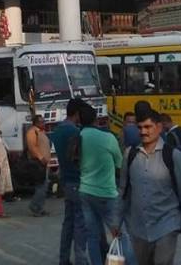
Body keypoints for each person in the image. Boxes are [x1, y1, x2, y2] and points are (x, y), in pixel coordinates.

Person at [113, 110, 181, 265]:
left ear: (159, 127)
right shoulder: (130, 155)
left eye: (148, 127)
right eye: (140, 128)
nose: (143, 132)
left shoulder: (173, 156)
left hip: (166, 225)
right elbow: (123, 191)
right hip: (138, 228)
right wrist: (116, 221)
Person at [77, 104, 127, 265]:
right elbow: (120, 163)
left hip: (85, 191)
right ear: (96, 119)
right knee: (119, 234)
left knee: (92, 236)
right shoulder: (108, 138)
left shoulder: (79, 136)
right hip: (107, 193)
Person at [51, 98, 88, 265]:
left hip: (66, 181)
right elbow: (80, 158)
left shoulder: (58, 130)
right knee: (80, 225)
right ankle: (81, 259)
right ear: (77, 113)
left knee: (68, 224)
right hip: (78, 181)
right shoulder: (75, 132)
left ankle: (63, 259)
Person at [25, 114, 52, 217]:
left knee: (44, 186)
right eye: (41, 121)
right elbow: (33, 147)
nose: (43, 123)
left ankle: (39, 207)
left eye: (43, 121)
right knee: (41, 186)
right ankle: (35, 206)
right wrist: (41, 158)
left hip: (44, 163)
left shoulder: (41, 132)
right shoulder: (32, 132)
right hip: (38, 163)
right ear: (35, 123)